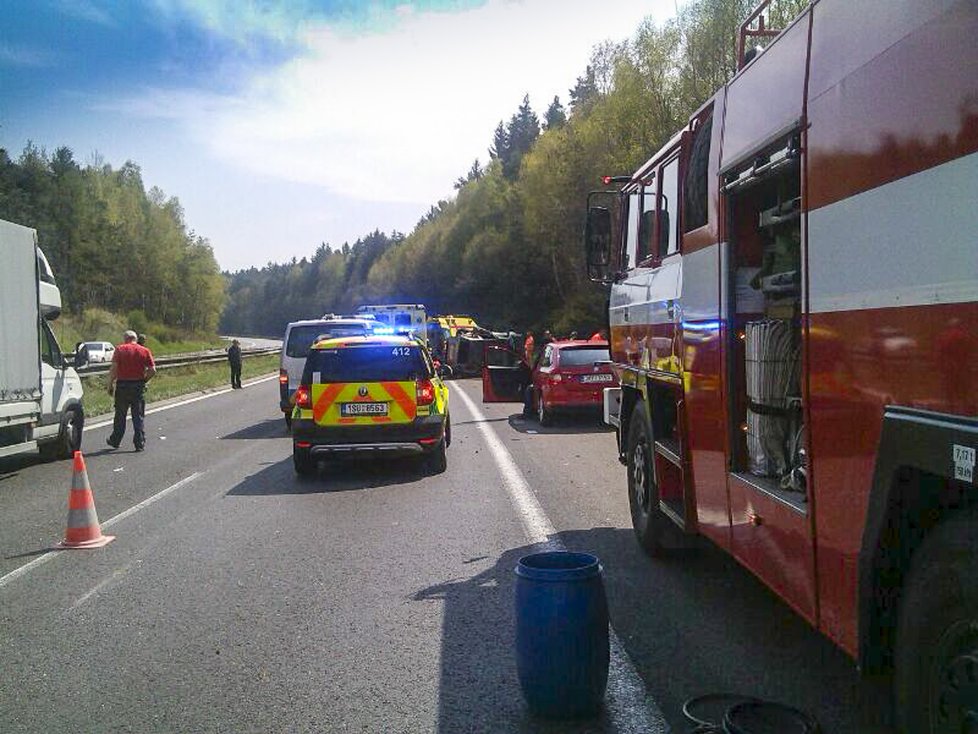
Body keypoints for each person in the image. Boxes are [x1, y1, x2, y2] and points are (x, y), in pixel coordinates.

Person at [106, 330, 156, 452]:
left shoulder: (120, 349)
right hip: (137, 386)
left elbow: (114, 368)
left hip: (123, 385)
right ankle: (139, 443)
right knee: (137, 416)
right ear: (135, 338)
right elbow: (153, 370)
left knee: (120, 415)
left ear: (125, 338)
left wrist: (110, 384)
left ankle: (115, 440)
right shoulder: (144, 350)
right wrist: (144, 380)